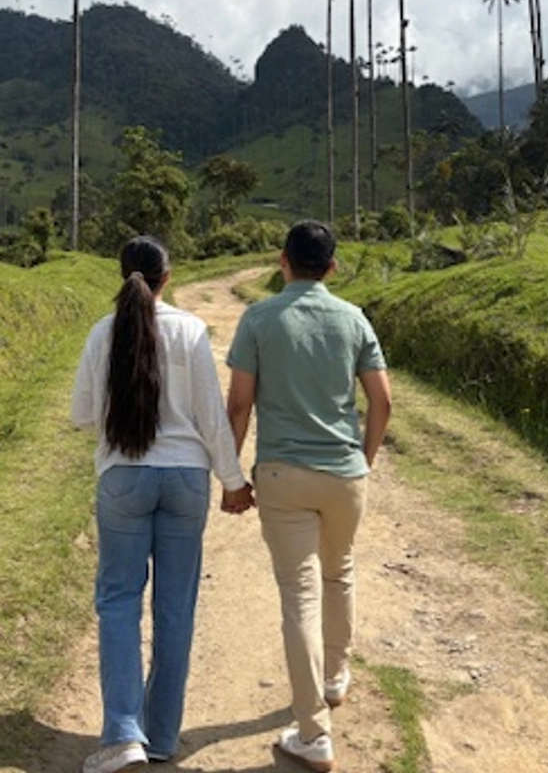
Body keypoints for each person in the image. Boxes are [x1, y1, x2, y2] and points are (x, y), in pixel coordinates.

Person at [71, 235, 254, 773]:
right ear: (167, 278)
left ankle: (122, 734)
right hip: (186, 481)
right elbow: (211, 416)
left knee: (119, 601)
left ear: (120, 274)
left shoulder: (103, 333)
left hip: (123, 479)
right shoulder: (191, 330)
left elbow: (83, 414)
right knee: (176, 606)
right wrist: (233, 480)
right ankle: (161, 738)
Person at [225, 220, 393, 772]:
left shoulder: (259, 318)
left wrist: (231, 475)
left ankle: (313, 732)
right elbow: (382, 403)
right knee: (339, 570)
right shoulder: (354, 319)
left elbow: (239, 406)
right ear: (333, 267)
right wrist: (361, 463)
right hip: (345, 473)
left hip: (282, 475)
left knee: (298, 595)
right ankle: (335, 677)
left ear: (283, 261)